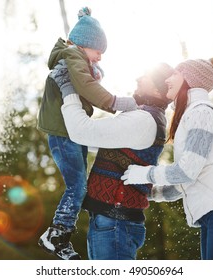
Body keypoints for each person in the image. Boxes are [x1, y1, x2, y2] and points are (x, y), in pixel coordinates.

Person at [121, 58, 213, 260]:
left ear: (189, 79)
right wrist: (151, 193)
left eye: (175, 73)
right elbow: (186, 181)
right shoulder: (193, 112)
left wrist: (144, 173)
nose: (168, 79)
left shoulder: (202, 111)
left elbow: (185, 171)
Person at [37, 7, 137, 260]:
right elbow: (86, 86)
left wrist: (95, 73)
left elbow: (86, 84)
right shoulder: (72, 56)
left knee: (80, 186)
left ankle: (60, 236)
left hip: (71, 132)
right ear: (84, 45)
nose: (100, 57)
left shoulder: (75, 58)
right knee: (77, 186)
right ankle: (55, 235)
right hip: (63, 133)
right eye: (98, 52)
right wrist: (117, 103)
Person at [50, 60, 174, 259]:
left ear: (159, 91)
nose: (138, 78)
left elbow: (82, 133)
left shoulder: (142, 120)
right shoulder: (146, 117)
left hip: (115, 223)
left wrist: (67, 87)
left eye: (146, 77)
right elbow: (92, 139)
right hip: (113, 222)